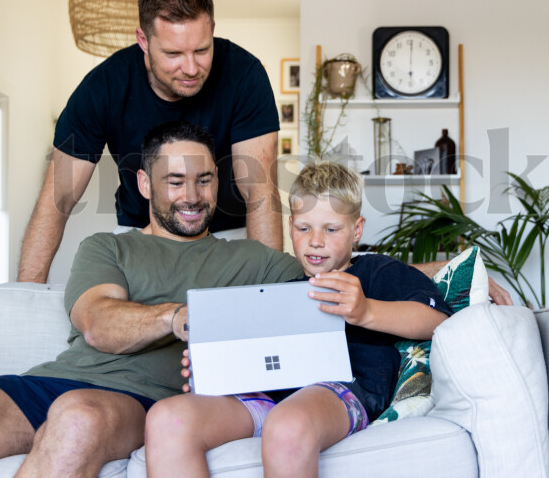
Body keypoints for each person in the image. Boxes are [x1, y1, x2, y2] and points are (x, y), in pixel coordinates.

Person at [0, 122, 304, 478]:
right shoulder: (108, 248)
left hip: (143, 400)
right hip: (54, 380)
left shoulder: (256, 262)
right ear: (143, 184)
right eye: (175, 181)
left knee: (76, 419)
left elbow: (321, 299)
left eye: (204, 180)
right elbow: (98, 322)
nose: (192, 196)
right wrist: (175, 318)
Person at [144, 160, 454, 478]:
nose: (315, 240)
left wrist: (367, 311)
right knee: (167, 418)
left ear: (356, 230)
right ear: (291, 226)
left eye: (331, 229)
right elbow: (258, 362)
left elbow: (436, 321)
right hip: (270, 394)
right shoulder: (281, 290)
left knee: (288, 424)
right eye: (304, 228)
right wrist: (214, 366)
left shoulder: (374, 271)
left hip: (342, 389)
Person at [18, 0, 283, 283]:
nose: (191, 68)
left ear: (212, 30)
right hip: (141, 233)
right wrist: (27, 297)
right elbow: (57, 198)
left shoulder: (244, 75)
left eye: (201, 50)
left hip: (228, 233)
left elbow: (259, 191)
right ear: (143, 41)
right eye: (173, 54)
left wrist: (269, 294)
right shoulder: (103, 88)